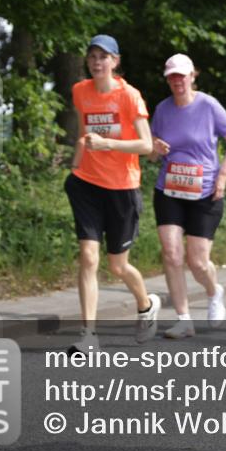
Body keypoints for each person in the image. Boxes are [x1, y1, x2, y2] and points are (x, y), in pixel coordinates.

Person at [64, 34, 159, 353]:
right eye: (92, 56)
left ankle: (146, 305)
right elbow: (83, 133)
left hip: (122, 188)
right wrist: (75, 166)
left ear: (115, 62)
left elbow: (146, 144)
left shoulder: (129, 95)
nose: (97, 62)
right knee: (88, 257)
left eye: (103, 57)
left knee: (118, 266)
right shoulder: (80, 91)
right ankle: (88, 335)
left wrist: (109, 144)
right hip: (86, 184)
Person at [149, 54, 226, 338]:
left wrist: (223, 175)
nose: (177, 80)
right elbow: (151, 153)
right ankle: (184, 318)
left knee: (198, 261)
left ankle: (214, 291)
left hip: (205, 191)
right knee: (171, 253)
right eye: (172, 76)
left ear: (192, 76)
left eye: (182, 75)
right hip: (169, 189)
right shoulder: (163, 109)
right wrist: (155, 148)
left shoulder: (208, 105)